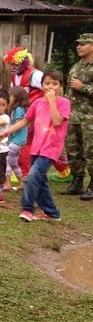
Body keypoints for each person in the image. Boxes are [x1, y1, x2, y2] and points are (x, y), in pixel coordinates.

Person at [0, 70, 69, 222]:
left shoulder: (64, 103)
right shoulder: (36, 103)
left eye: (55, 84)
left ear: (61, 87)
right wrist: (6, 133)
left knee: (31, 178)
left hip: (50, 150)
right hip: (37, 148)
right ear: (42, 85)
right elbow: (25, 121)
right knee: (41, 181)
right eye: (47, 83)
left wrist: (51, 102)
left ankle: (28, 209)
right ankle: (52, 213)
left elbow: (57, 121)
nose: (51, 87)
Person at [2, 47, 44, 175]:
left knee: (28, 142)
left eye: (16, 64)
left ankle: (25, 172)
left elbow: (50, 88)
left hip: (36, 112)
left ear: (25, 63)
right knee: (25, 141)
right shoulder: (14, 77)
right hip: (23, 111)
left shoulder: (36, 75)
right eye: (10, 64)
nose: (12, 67)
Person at [62, 33, 93, 200]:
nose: (79, 47)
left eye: (83, 44)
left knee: (91, 151)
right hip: (73, 115)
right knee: (73, 150)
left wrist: (83, 87)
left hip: (90, 118)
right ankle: (77, 182)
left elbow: (81, 88)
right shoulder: (76, 66)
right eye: (78, 44)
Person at [5, 87, 30, 190]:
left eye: (10, 95)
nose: (8, 98)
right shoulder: (16, 110)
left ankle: (7, 184)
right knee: (13, 163)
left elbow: (19, 124)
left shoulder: (19, 110)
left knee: (5, 160)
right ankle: (22, 183)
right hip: (18, 140)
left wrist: (7, 130)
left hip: (17, 140)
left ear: (17, 98)